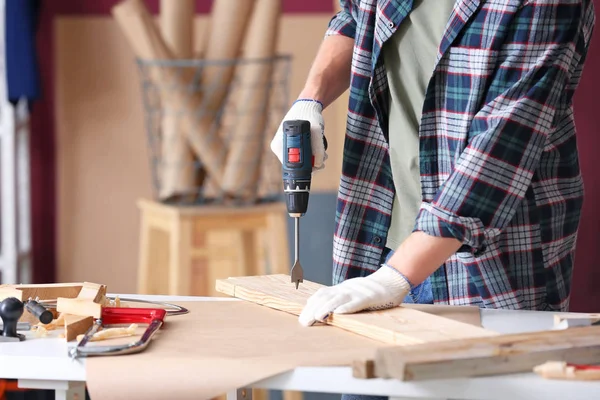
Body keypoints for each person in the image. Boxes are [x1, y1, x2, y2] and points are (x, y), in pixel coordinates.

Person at [271, 0, 595, 344]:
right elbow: (356, 16)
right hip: (378, 240)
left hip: (487, 264)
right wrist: (311, 98)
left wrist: (394, 279)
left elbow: (498, 154)